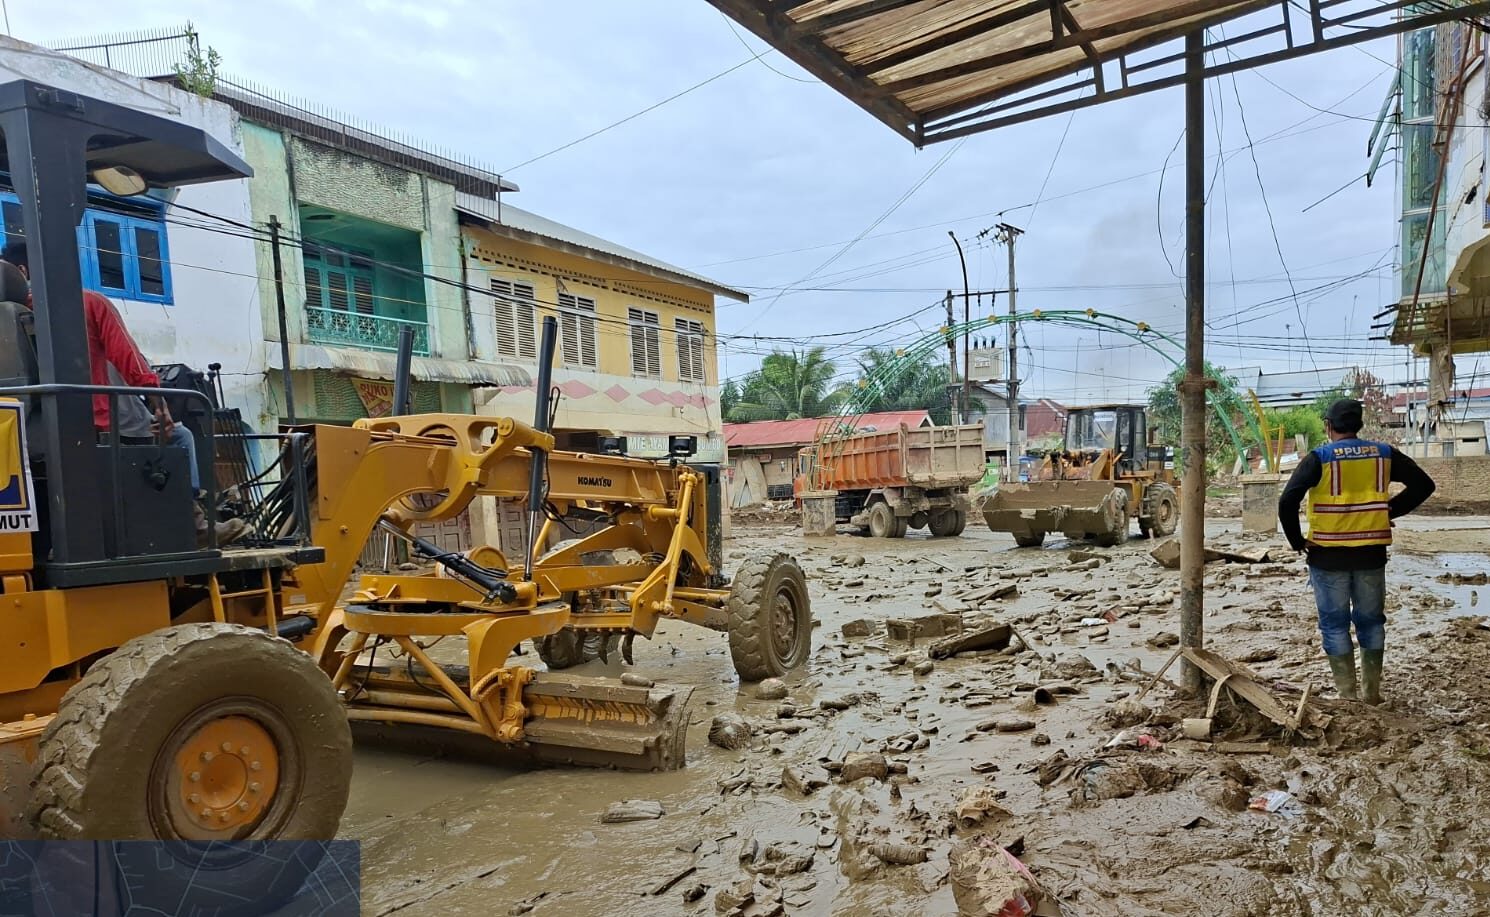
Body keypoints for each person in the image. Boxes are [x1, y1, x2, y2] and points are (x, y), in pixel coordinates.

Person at [0, 240, 243, 547]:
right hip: (97, 425)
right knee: (180, 437)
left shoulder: (10, 320)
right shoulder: (87, 303)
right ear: (27, 271)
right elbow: (129, 359)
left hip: (31, 435)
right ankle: (194, 524)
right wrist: (160, 407)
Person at [1277, 398, 1435, 705]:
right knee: (1372, 622)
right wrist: (1389, 509)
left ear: (1328, 426)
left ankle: (1347, 698)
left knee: (1335, 625)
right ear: (1359, 425)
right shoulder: (1383, 454)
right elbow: (1424, 485)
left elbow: (1287, 501)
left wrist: (1297, 541)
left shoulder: (1319, 458)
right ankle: (1371, 694)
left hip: (1327, 556)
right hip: (1370, 554)